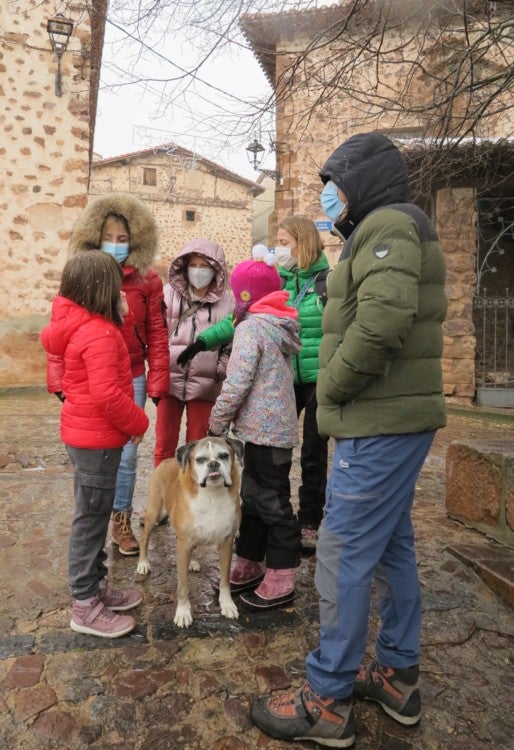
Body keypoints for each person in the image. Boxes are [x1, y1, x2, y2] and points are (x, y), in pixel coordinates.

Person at [250, 131, 447, 747]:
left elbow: (381, 322)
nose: (326, 198)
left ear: (359, 181)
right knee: (391, 547)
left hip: (378, 418)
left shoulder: (387, 226)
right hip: (389, 417)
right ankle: (396, 673)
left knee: (340, 553)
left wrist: (329, 388)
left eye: (331, 184)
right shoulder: (383, 228)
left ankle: (327, 700)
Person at [178, 217, 330, 552]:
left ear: (303, 243)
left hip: (319, 375)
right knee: (275, 447)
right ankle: (269, 521)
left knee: (314, 452)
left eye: (285, 241)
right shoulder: (278, 282)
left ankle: (308, 520)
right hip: (286, 379)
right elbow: (243, 320)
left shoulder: (326, 283)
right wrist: (203, 342)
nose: (279, 248)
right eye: (277, 242)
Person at [41, 251, 150, 638]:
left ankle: (96, 586)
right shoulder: (98, 333)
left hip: (88, 437)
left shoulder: (91, 326)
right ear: (104, 289)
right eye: (117, 286)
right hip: (97, 440)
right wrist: (139, 421)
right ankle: (84, 604)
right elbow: (107, 394)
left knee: (96, 513)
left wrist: (123, 314)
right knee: (90, 520)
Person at [59, 193, 170, 556]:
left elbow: (157, 328)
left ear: (136, 241)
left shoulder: (147, 280)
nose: (117, 245)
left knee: (127, 453)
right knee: (93, 450)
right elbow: (61, 326)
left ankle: (120, 520)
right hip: (90, 371)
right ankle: (93, 518)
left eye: (124, 239)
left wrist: (158, 378)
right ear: (94, 236)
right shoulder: (81, 274)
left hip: (133, 372)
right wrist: (56, 377)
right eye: (110, 237)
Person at [208, 246, 302, 610]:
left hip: (265, 434)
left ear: (246, 295)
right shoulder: (274, 327)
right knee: (253, 498)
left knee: (273, 502)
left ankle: (282, 572)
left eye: (235, 292)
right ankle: (249, 559)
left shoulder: (250, 330)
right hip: (265, 432)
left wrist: (217, 422)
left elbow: (237, 382)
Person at [154, 238, 234, 467]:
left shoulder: (228, 301)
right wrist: (160, 368)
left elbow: (231, 343)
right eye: (194, 264)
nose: (198, 271)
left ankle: (193, 497)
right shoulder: (167, 294)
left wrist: (219, 371)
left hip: (206, 384)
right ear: (184, 266)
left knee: (199, 447)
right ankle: (166, 496)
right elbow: (157, 334)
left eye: (204, 266)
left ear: (216, 269)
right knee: (164, 446)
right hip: (169, 381)